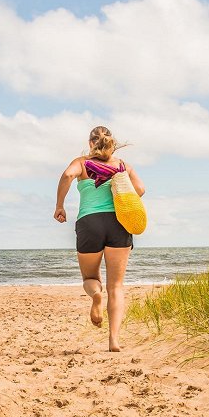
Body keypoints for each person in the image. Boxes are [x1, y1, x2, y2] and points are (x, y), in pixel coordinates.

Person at [54, 126, 145, 352]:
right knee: (116, 286)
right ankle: (113, 340)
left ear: (90, 142)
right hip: (118, 223)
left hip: (89, 223)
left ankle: (96, 295)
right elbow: (140, 189)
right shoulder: (122, 165)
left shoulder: (82, 162)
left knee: (91, 277)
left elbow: (67, 175)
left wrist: (59, 206)